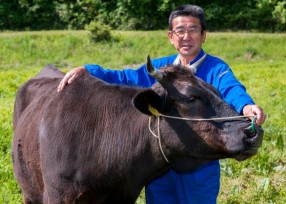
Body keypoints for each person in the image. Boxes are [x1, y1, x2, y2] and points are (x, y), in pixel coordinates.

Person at [58, 4, 266, 204]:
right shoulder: (161, 69)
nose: (186, 36)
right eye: (180, 30)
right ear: (171, 37)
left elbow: (231, 88)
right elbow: (125, 78)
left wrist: (246, 106)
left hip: (199, 170)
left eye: (193, 30)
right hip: (160, 169)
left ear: (203, 35)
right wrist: (90, 70)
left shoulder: (215, 68)